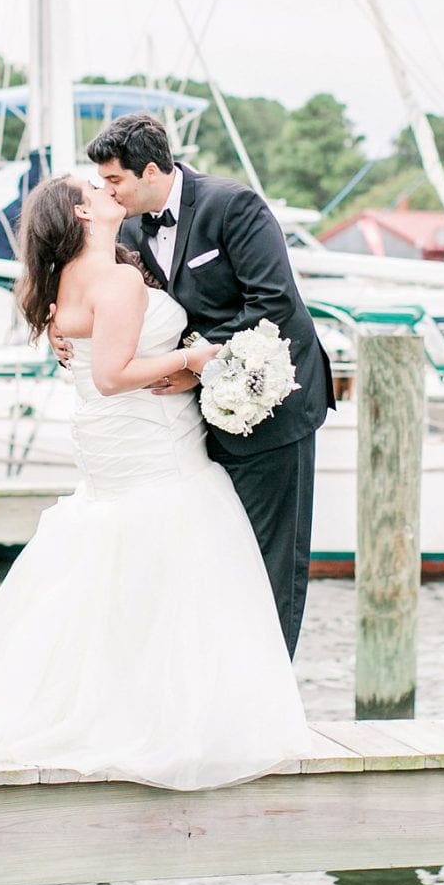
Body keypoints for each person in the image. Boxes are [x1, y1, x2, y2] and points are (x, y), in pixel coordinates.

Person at [0, 173, 311, 791]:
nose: (109, 193)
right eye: (95, 189)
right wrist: (194, 359)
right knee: (176, 574)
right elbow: (111, 374)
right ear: (81, 212)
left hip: (115, 451)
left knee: (117, 571)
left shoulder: (67, 281)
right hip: (152, 443)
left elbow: (93, 348)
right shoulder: (119, 278)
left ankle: (111, 704)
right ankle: (173, 718)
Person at [77, 113, 333, 658]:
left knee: (272, 562)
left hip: (273, 405)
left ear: (151, 171)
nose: (108, 191)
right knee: (217, 560)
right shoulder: (126, 230)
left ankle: (270, 699)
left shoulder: (233, 206)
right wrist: (64, 328)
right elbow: (113, 304)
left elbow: (273, 303)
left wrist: (190, 359)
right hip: (195, 420)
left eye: (115, 180)